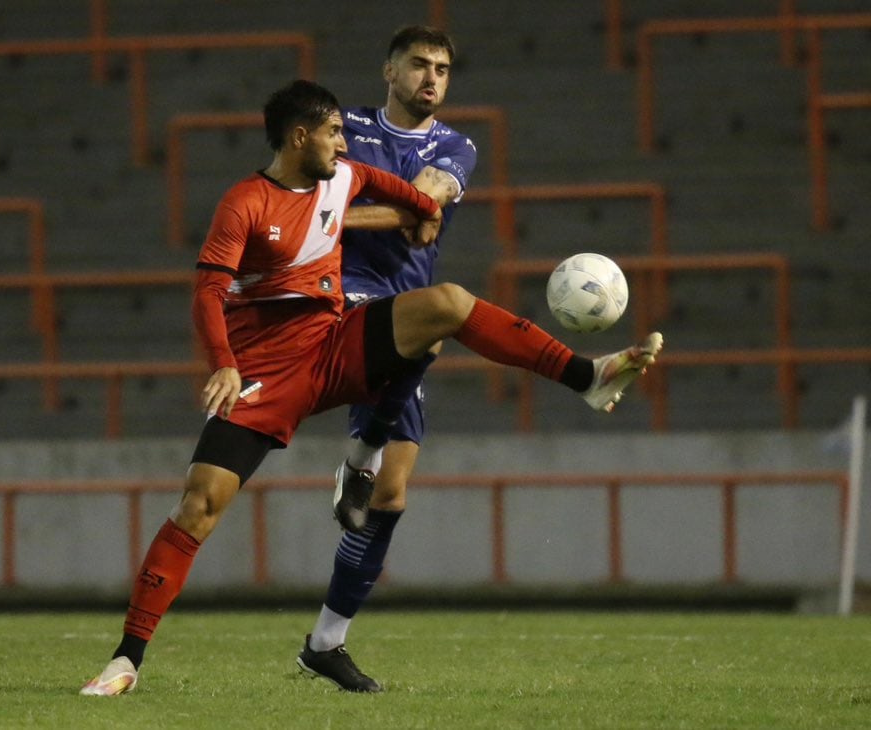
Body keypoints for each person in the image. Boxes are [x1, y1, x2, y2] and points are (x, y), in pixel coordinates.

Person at [79, 78, 662, 697]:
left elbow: (414, 199)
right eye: (332, 131)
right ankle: (127, 661)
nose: (342, 140)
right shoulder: (244, 202)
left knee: (445, 307)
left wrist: (426, 212)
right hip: (264, 374)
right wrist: (222, 362)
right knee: (199, 506)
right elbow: (207, 292)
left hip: (334, 345)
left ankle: (585, 376)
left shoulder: (346, 176)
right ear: (299, 136)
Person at [297, 26, 478, 693]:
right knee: (427, 332)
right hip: (335, 295)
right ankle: (359, 455)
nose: (432, 78)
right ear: (389, 70)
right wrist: (394, 212)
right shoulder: (342, 127)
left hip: (405, 302)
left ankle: (325, 642)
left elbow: (426, 205)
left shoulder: (457, 146)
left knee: (392, 496)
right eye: (419, 65)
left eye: (443, 69)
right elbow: (313, 207)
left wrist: (368, 207)